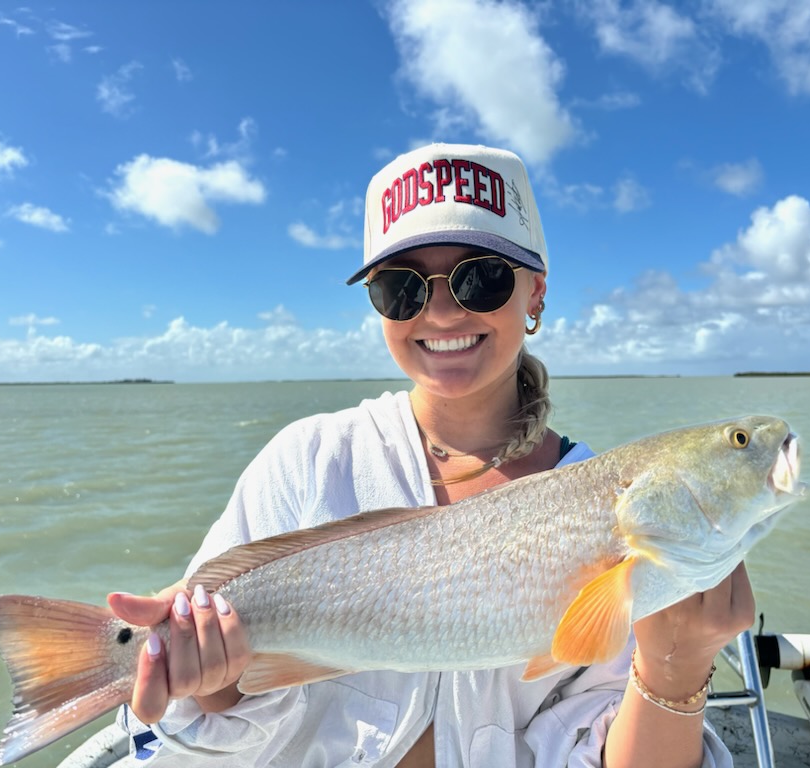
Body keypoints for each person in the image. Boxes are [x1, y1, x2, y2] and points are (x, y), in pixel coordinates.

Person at [109, 143, 752, 767]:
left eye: (481, 278)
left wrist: (677, 667)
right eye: (402, 288)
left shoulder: (615, 509)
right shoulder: (308, 461)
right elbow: (202, 733)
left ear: (535, 292)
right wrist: (209, 682)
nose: (441, 313)